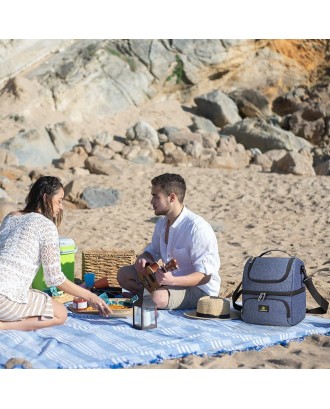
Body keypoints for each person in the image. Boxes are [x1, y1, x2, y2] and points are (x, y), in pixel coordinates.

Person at [0, 176, 111, 331]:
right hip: (4, 298)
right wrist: (91, 297)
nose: (62, 207)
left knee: (32, 295)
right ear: (46, 197)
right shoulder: (45, 225)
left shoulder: (11, 216)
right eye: (59, 200)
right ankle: (4, 325)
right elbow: (55, 279)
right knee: (60, 313)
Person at [117, 173, 221, 309]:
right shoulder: (161, 224)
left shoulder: (197, 229)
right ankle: (143, 299)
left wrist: (173, 280)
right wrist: (144, 257)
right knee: (124, 275)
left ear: (172, 197)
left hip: (200, 290)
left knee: (157, 298)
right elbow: (152, 252)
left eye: (156, 196)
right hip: (167, 282)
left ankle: (139, 300)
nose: (151, 202)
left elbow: (205, 276)